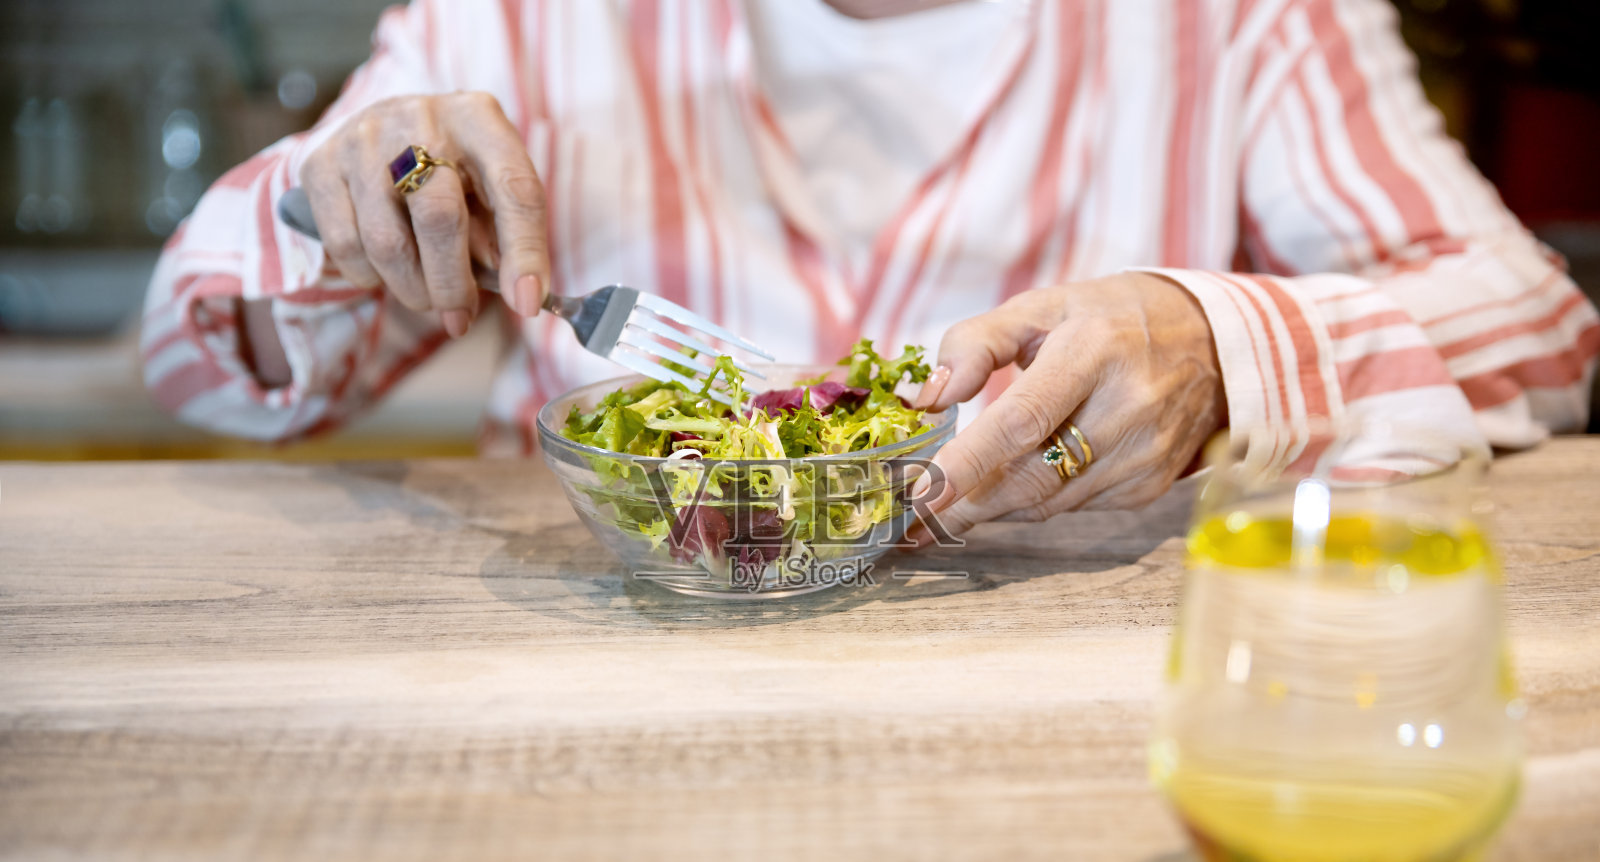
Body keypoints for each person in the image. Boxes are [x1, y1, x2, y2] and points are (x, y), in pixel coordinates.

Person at [141, 0, 1597, 538]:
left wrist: (1216, 341)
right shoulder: (526, 19)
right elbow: (204, 361)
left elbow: (1543, 327)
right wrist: (328, 207)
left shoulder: (1247, 22)